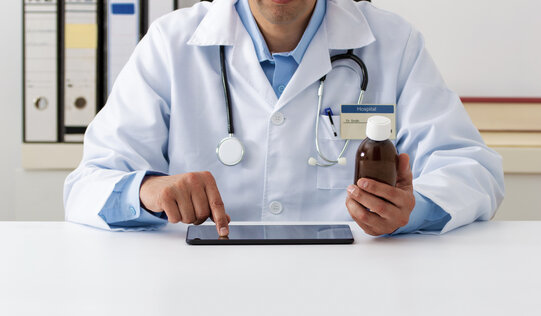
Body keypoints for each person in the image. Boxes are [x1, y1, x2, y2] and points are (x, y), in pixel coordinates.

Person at [64, 0, 504, 236]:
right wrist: (148, 190)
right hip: (202, 291)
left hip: (354, 293)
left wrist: (412, 210)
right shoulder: (170, 44)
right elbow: (86, 186)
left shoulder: (393, 43)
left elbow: (472, 170)